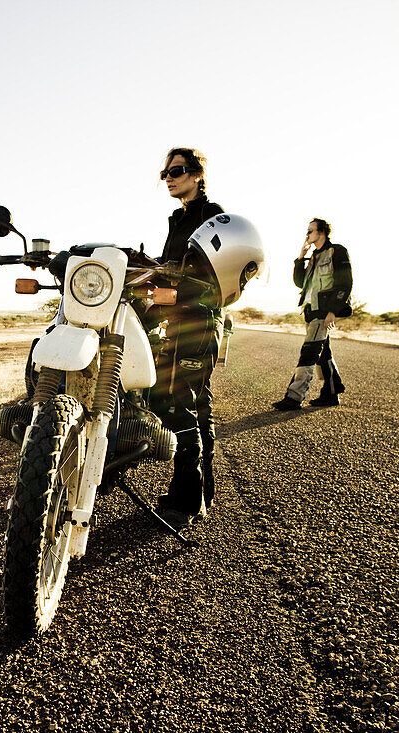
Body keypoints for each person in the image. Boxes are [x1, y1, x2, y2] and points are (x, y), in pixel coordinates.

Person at [149, 147, 225, 526]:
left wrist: (177, 295)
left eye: (176, 170)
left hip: (198, 321)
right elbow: (171, 270)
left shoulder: (213, 219)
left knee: (173, 400)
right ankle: (202, 490)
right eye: (164, 173)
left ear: (197, 174)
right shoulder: (178, 220)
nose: (169, 178)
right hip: (180, 322)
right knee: (197, 404)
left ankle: (186, 497)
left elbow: (219, 283)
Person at [272, 218, 353, 410]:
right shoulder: (314, 256)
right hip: (309, 310)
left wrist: (333, 310)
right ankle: (332, 392)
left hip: (323, 311)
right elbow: (300, 282)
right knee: (323, 353)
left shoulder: (337, 251)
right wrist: (301, 258)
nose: (307, 235)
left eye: (310, 231)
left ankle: (294, 397)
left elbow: (345, 283)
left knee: (308, 353)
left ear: (321, 232)